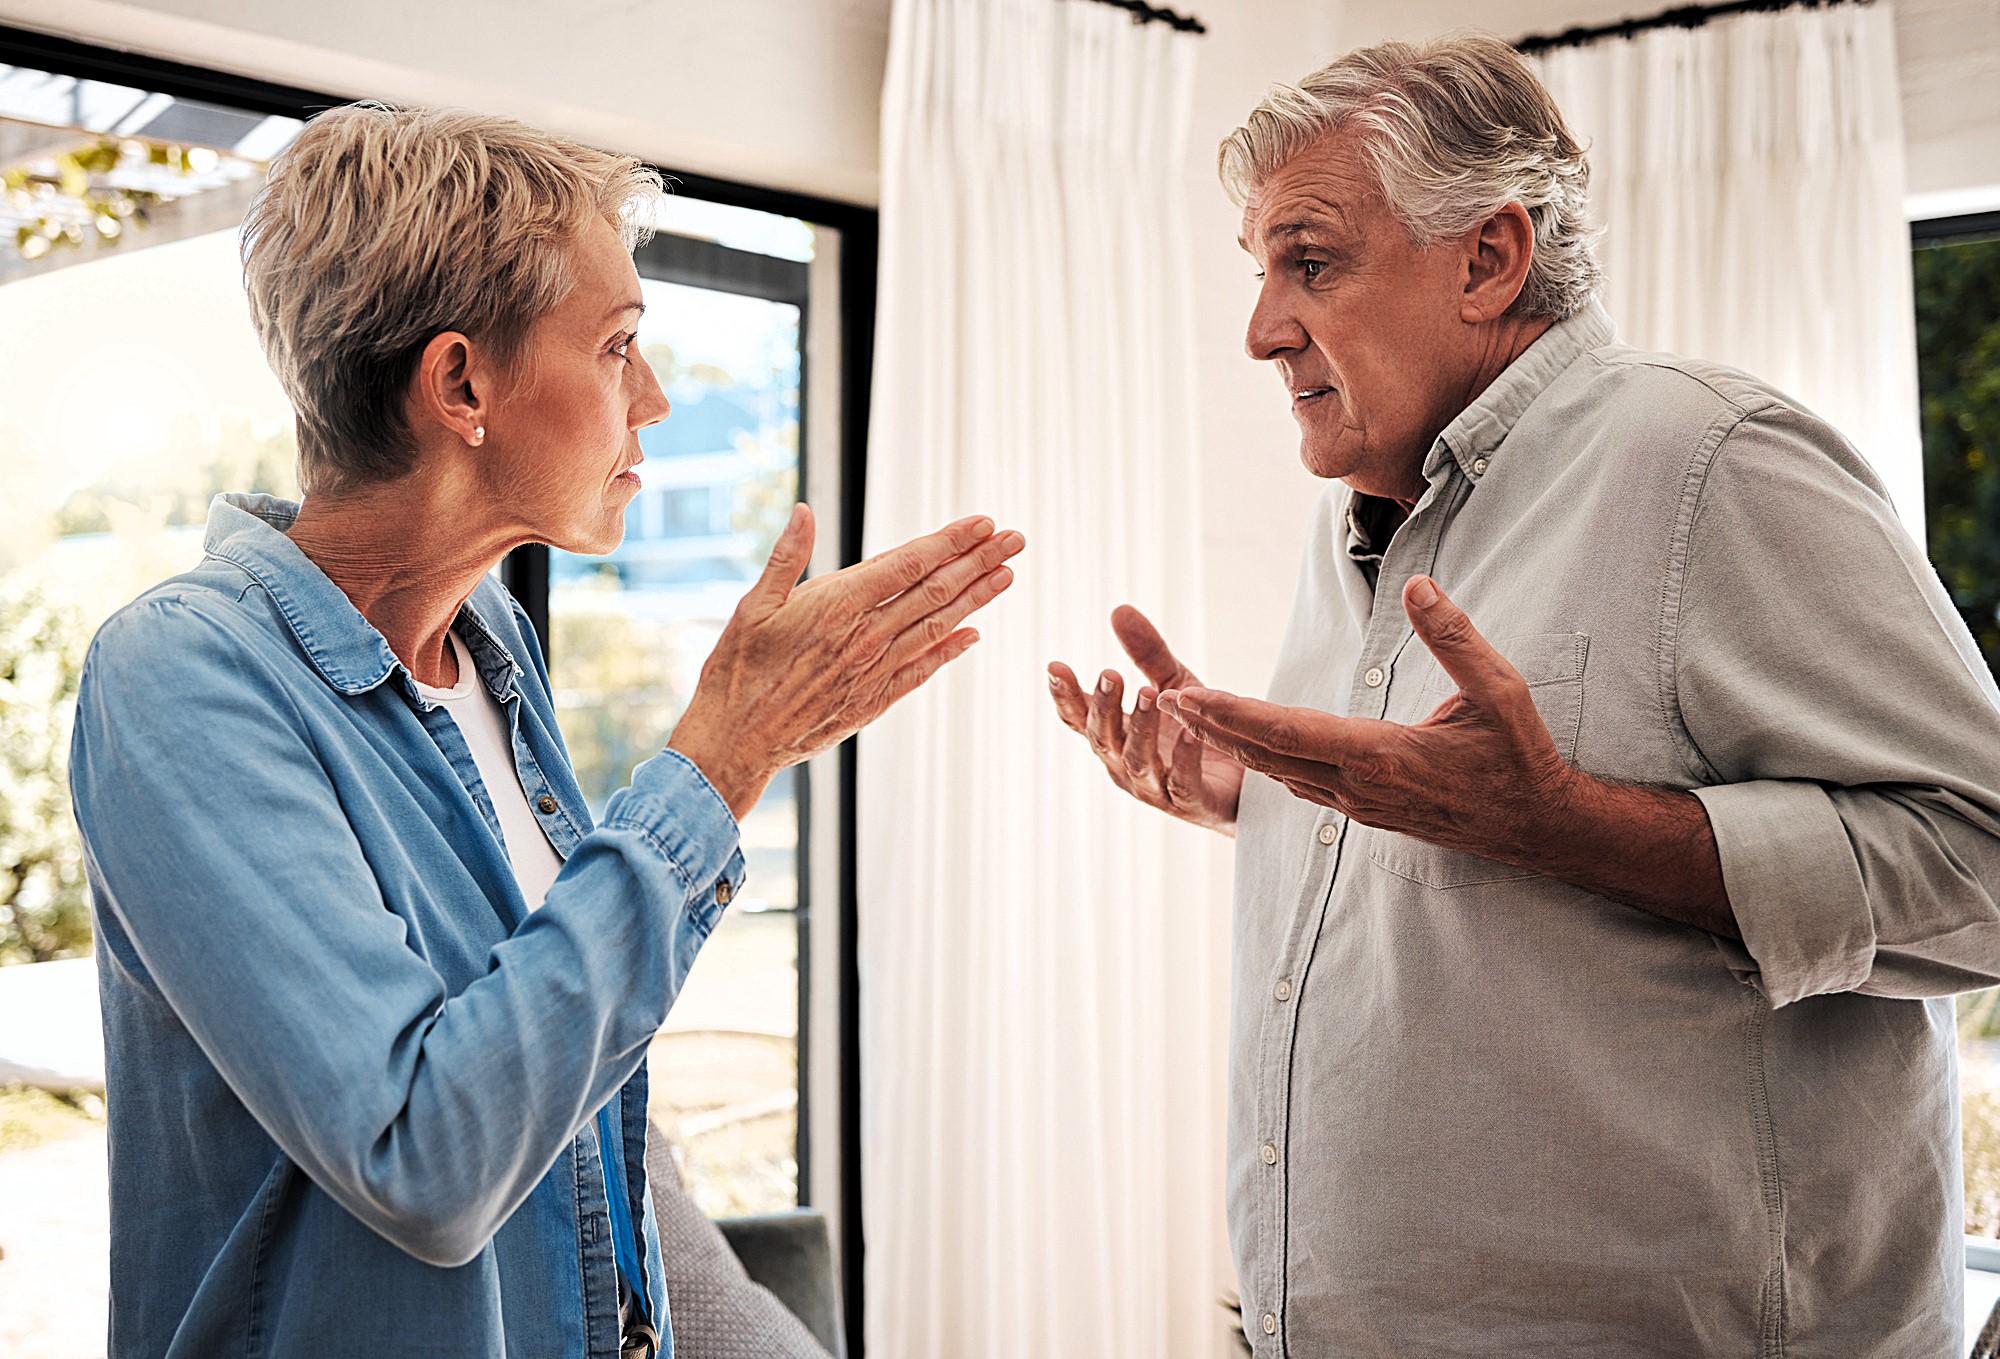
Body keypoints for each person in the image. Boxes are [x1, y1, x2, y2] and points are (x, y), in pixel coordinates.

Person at [1050, 33, 2000, 1357]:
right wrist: (1266, 799)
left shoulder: (1711, 462)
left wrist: (1558, 821)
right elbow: (1460, 862)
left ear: (1489, 259)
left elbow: (1987, 864)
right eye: (1263, 270)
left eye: (1309, 262)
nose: (1262, 327)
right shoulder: (1365, 526)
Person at [68, 104, 1023, 1359]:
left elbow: (565, 1090)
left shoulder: (493, 645)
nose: (659, 398)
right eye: (619, 345)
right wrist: (719, 765)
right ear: (461, 383)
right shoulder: (182, 676)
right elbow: (429, 1157)